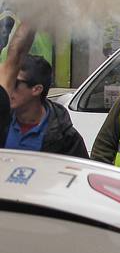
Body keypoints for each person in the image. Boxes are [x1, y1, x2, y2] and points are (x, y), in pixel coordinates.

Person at [0, 25, 86, 157]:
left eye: (16, 84)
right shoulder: (3, 118)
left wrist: (32, 18)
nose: (9, 88)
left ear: (37, 89)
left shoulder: (65, 138)